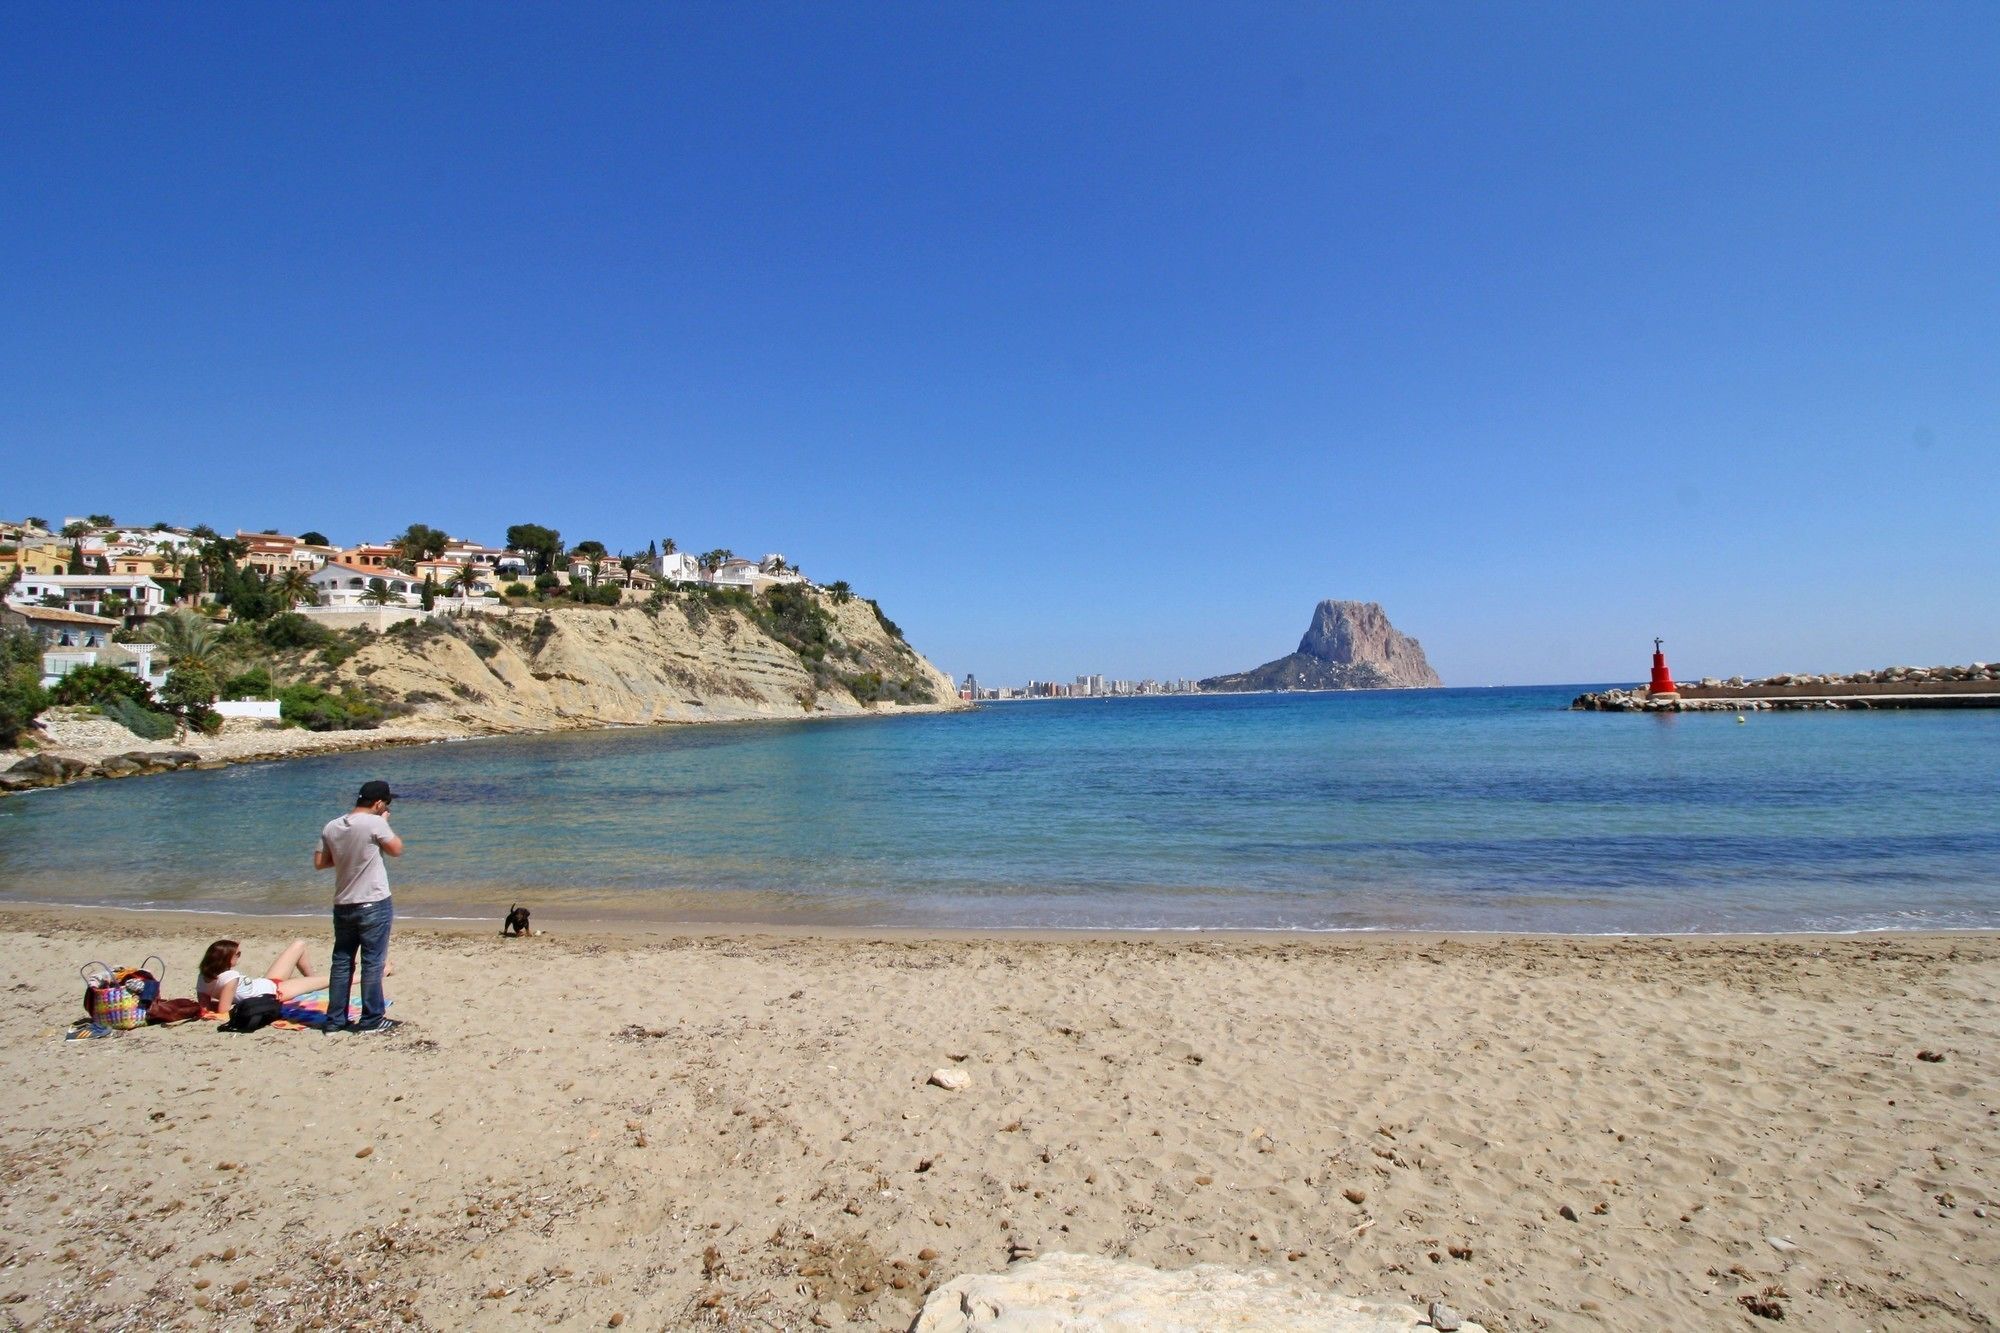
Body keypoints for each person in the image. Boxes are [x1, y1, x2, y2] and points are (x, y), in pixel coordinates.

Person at [314, 778, 404, 1034]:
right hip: (373, 902)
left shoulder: (332, 825)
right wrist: (384, 824)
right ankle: (372, 1018)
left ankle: (335, 1020)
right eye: (386, 804)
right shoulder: (375, 822)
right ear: (378, 803)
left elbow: (320, 862)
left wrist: (347, 857)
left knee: (342, 962)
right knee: (373, 961)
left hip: (343, 903)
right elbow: (397, 849)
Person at [196, 938, 329, 1019]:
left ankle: (312, 980)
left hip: (267, 982)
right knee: (334, 978)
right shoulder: (231, 977)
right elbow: (223, 1011)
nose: (239, 956)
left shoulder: (203, 976)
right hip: (276, 991)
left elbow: (204, 1007)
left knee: (299, 945)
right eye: (237, 954)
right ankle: (314, 981)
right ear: (226, 959)